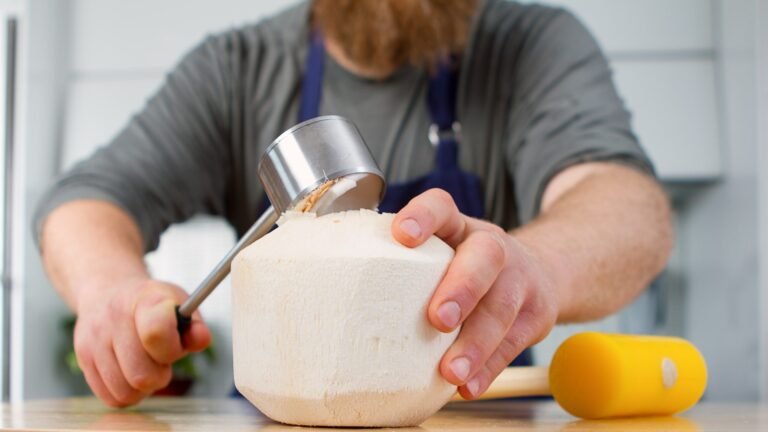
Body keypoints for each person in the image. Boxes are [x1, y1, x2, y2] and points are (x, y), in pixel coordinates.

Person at [34, 0, 673, 408]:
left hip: (474, 416)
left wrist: (538, 265)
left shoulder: (533, 45)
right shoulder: (235, 70)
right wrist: (110, 291)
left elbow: (627, 205)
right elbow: (88, 201)